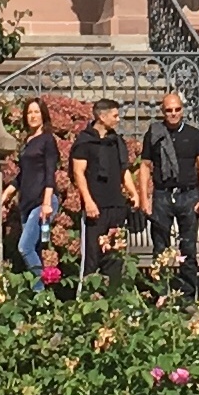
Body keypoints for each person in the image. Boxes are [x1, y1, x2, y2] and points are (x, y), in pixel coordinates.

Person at [142, 91, 199, 285]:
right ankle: (161, 294)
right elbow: (145, 166)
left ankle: (188, 295)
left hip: (188, 195)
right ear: (162, 111)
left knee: (188, 249)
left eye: (177, 109)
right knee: (160, 249)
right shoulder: (154, 134)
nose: (173, 113)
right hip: (162, 195)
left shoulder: (193, 135)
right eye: (169, 110)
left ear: (182, 110)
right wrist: (144, 198)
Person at [73, 101, 137, 283]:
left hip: (116, 206)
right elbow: (78, 172)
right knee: (92, 258)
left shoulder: (116, 142)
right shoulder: (84, 141)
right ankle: (88, 296)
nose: (118, 119)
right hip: (95, 207)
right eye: (115, 116)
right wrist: (88, 201)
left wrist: (134, 193)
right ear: (102, 116)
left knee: (115, 258)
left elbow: (124, 171)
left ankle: (113, 297)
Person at [7, 99, 65, 286]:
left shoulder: (47, 140)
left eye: (36, 112)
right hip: (27, 202)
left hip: (42, 202)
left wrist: (46, 203)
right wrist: (6, 194)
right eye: (29, 112)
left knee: (25, 247)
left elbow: (50, 173)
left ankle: (41, 291)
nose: (32, 116)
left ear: (43, 115)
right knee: (35, 249)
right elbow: (23, 174)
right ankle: (39, 295)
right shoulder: (28, 141)